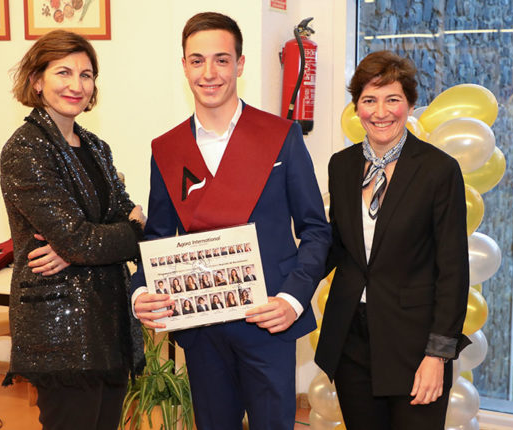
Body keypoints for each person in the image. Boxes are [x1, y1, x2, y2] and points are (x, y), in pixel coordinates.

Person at [131, 12, 331, 430]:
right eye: (197, 60)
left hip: (268, 318)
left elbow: (316, 230)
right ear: (184, 66)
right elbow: (158, 237)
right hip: (200, 326)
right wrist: (141, 291)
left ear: (239, 65)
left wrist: (293, 299)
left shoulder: (281, 136)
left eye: (221, 60)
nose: (209, 73)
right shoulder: (166, 149)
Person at [314, 50, 471, 430]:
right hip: (351, 339)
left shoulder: (438, 170)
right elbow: (336, 247)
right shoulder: (342, 165)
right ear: (356, 107)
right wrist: (276, 276)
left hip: (414, 343)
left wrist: (437, 355)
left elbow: (453, 270)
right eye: (369, 100)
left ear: (410, 104)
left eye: (392, 99)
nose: (380, 112)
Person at [0, 30, 145, 430]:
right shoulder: (25, 149)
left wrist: (85, 243)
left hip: (109, 322)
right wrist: (114, 235)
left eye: (86, 74)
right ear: (36, 80)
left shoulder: (95, 146)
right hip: (62, 331)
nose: (76, 85)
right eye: (63, 72)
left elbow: (109, 226)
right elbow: (83, 239)